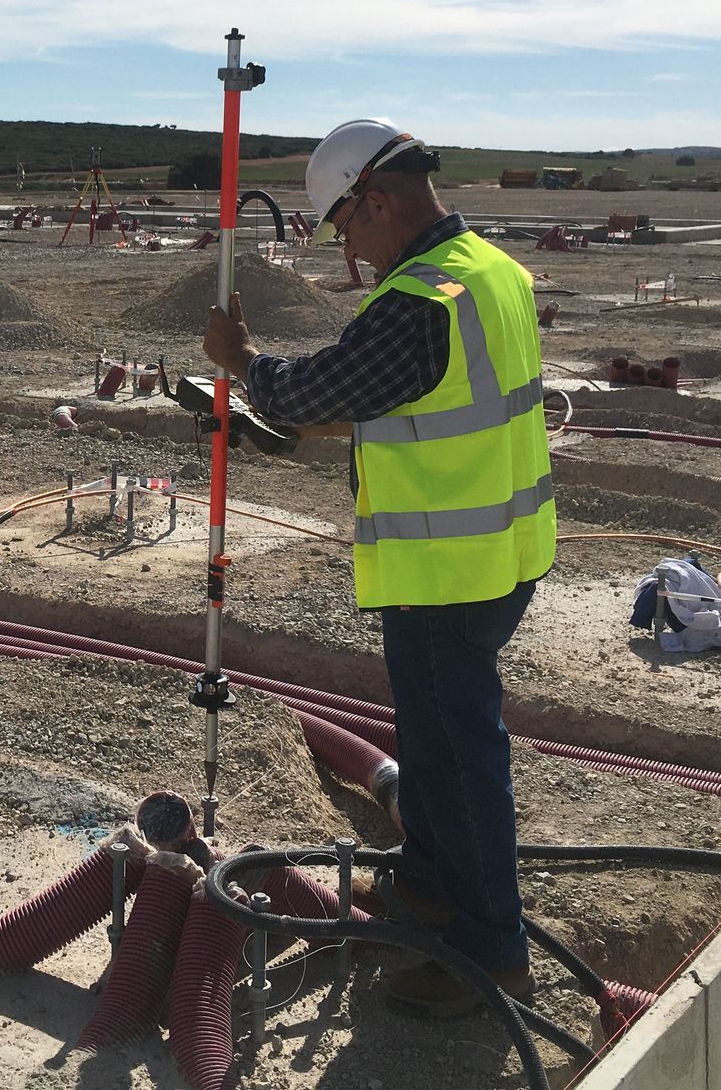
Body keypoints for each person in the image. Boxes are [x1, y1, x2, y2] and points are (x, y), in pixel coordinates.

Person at [203, 119, 555, 1017]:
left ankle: (490, 955)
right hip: (500, 552)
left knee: (459, 758)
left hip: (449, 567)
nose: (349, 249)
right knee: (436, 744)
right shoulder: (492, 269)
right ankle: (432, 881)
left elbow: (318, 395)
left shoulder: (424, 298)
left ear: (380, 200)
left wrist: (242, 362)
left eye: (346, 227)